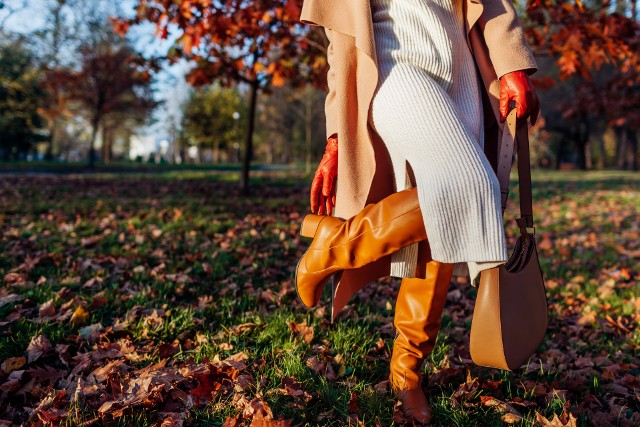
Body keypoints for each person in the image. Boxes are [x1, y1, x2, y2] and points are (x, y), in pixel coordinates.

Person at [296, 0, 540, 424]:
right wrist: (336, 136)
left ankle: (406, 372)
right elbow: (340, 42)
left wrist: (510, 63)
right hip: (393, 64)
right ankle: (338, 245)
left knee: (444, 218)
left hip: (460, 69)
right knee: (469, 185)